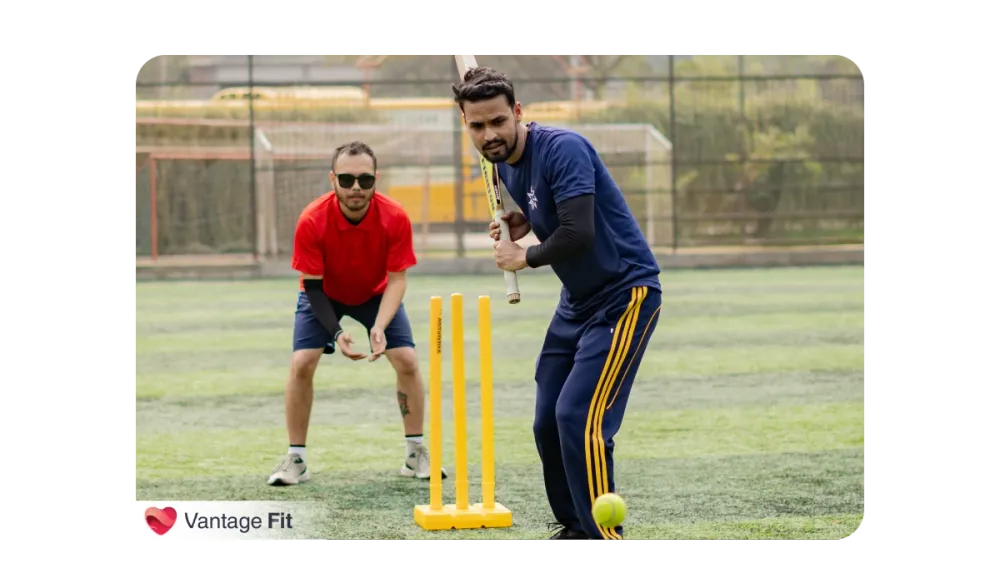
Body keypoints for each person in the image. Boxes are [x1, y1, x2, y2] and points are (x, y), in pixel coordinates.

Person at [452, 68, 663, 543]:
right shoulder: (501, 160)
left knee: (578, 416)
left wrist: (522, 256)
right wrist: (524, 219)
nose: (489, 135)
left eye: (498, 122)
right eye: (477, 126)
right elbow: (553, 207)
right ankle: (575, 528)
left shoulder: (562, 146)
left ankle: (605, 536)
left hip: (624, 295)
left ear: (519, 113)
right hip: (577, 302)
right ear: (465, 124)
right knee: (547, 419)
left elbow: (579, 232)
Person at [267, 140, 446, 486]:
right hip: (324, 295)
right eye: (347, 180)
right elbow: (313, 288)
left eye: (365, 180)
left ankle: (414, 454)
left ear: (376, 179)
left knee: (406, 360)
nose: (356, 188)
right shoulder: (312, 219)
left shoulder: (394, 216)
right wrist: (336, 332)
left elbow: (397, 280)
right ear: (332, 179)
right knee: (302, 363)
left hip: (376, 293)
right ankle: (296, 459)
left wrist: (378, 327)